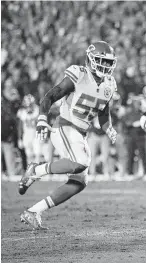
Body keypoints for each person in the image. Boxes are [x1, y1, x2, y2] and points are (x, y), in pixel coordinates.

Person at [18, 41, 118, 229]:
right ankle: (35, 171)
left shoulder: (110, 84)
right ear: (91, 59)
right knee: (81, 162)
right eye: (101, 61)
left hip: (80, 133)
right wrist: (41, 119)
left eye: (108, 62)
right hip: (64, 125)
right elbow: (50, 96)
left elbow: (104, 114)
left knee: (79, 182)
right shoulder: (79, 74)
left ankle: (33, 211)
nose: (105, 66)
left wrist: (108, 128)